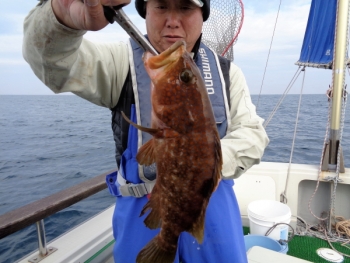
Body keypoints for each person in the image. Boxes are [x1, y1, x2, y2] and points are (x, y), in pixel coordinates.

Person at [23, 0, 269, 262]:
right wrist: (61, 15)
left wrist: (202, 165)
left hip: (214, 215)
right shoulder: (120, 62)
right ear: (145, 12)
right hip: (142, 215)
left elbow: (254, 135)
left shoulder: (227, 73)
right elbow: (54, 64)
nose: (172, 20)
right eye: (161, 6)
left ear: (202, 15)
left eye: (185, 8)